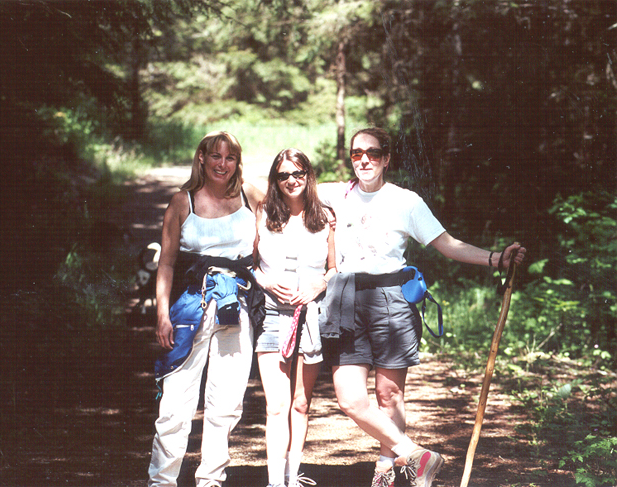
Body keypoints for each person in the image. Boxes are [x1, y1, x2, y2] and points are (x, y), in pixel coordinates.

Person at [317, 127, 526, 487]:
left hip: (391, 300)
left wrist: (496, 259)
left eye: (373, 153)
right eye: (356, 154)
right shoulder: (335, 194)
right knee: (350, 398)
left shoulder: (406, 201)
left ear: (386, 159)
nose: (364, 159)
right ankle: (416, 453)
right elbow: (279, 189)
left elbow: (447, 244)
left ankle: (386, 470)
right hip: (346, 299)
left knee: (389, 393)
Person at [148, 131, 264, 487]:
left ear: (237, 162)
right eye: (215, 156)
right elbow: (166, 263)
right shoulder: (182, 202)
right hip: (190, 306)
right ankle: (162, 481)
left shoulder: (251, 194)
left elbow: (288, 214)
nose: (222, 164)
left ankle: (211, 480)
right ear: (202, 158)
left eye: (229, 158)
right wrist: (162, 315)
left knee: (227, 401)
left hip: (237, 305)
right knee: (175, 402)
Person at [253, 149, 337, 487]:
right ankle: (275, 482)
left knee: (300, 403)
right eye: (284, 175)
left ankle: (293, 476)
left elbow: (334, 268)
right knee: (277, 405)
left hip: (310, 316)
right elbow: (249, 264)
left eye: (298, 173)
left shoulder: (325, 217)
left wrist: (321, 282)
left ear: (309, 176)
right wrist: (265, 280)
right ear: (275, 179)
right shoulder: (261, 213)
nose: (292, 180)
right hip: (272, 313)